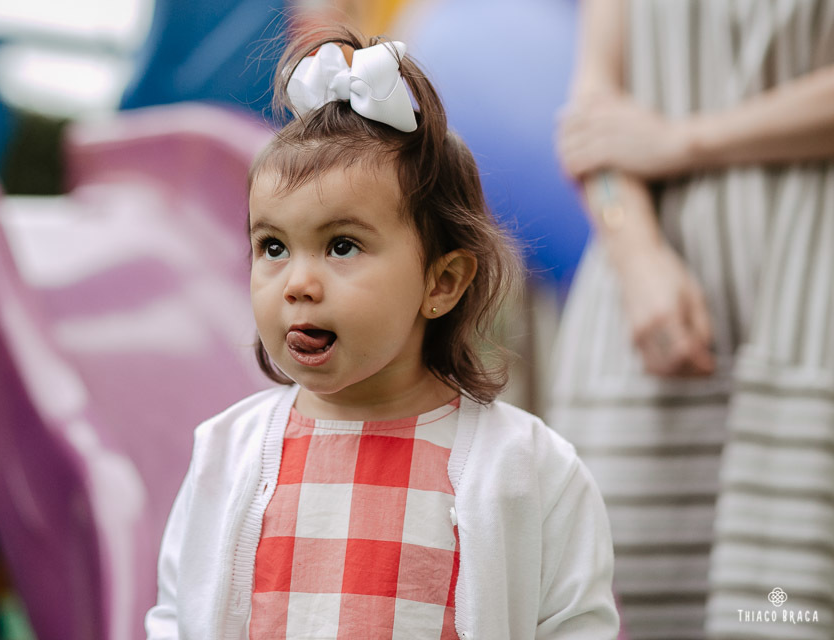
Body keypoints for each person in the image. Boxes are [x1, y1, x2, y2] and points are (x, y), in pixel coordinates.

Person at [145, 24, 619, 640]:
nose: (297, 283)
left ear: (441, 282)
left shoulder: (527, 470)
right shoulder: (227, 453)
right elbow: (175, 618)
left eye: (342, 246)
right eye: (273, 246)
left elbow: (577, 625)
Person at [551, 1, 834, 638]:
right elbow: (592, 112)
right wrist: (639, 255)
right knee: (618, 609)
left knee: (785, 611)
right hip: (638, 324)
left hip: (811, 312)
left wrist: (684, 140)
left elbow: (642, 134)